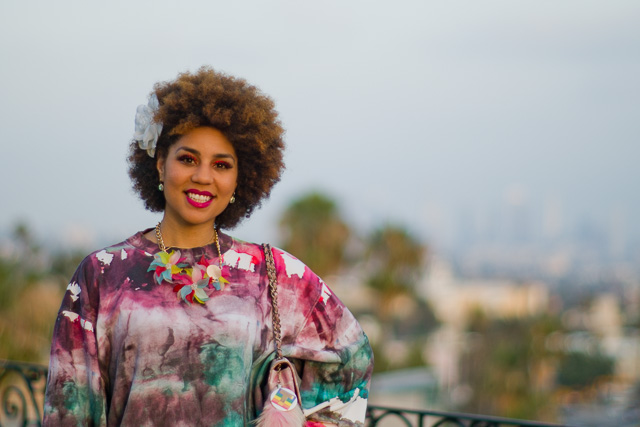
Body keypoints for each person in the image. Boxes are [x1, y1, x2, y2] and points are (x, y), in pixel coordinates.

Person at [43, 67, 374, 426]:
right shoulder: (103, 273)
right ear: (159, 164)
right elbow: (69, 407)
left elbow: (351, 357)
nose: (203, 177)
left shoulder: (272, 274)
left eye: (221, 165)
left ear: (237, 181)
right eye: (187, 159)